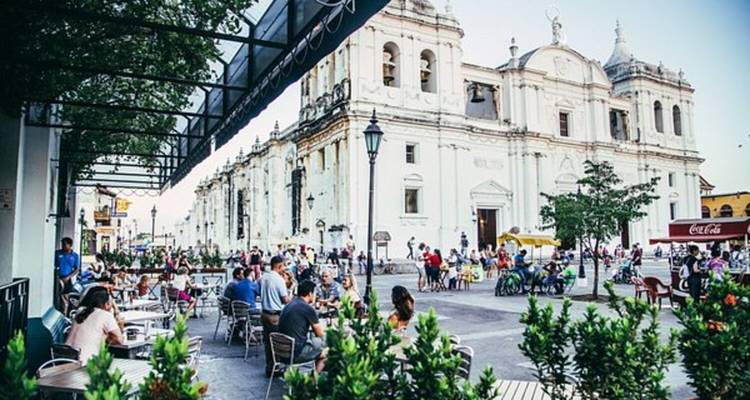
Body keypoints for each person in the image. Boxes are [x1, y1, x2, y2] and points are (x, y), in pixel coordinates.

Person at [278, 280, 327, 372]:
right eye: (315, 293)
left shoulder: (289, 305)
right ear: (310, 294)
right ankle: (313, 382)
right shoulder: (307, 308)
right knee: (327, 350)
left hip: (281, 352)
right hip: (296, 353)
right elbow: (320, 333)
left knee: (316, 343)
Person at [65, 289, 123, 363]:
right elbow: (119, 340)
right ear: (106, 304)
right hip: (85, 363)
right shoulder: (106, 315)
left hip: (66, 359)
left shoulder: (80, 312)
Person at [260, 255, 291, 377]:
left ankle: (270, 366)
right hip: (275, 315)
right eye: (283, 265)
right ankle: (277, 367)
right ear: (279, 266)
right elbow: (285, 300)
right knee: (278, 342)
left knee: (268, 342)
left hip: (264, 313)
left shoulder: (264, 277)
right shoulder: (279, 279)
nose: (284, 268)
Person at [55, 237, 81, 316]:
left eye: (65, 244)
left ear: (70, 245)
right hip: (57, 278)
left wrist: (68, 277)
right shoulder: (57, 253)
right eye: (62, 244)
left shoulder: (75, 256)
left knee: (64, 298)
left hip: (66, 279)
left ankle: (63, 315)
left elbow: (76, 269)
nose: (63, 246)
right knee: (55, 297)